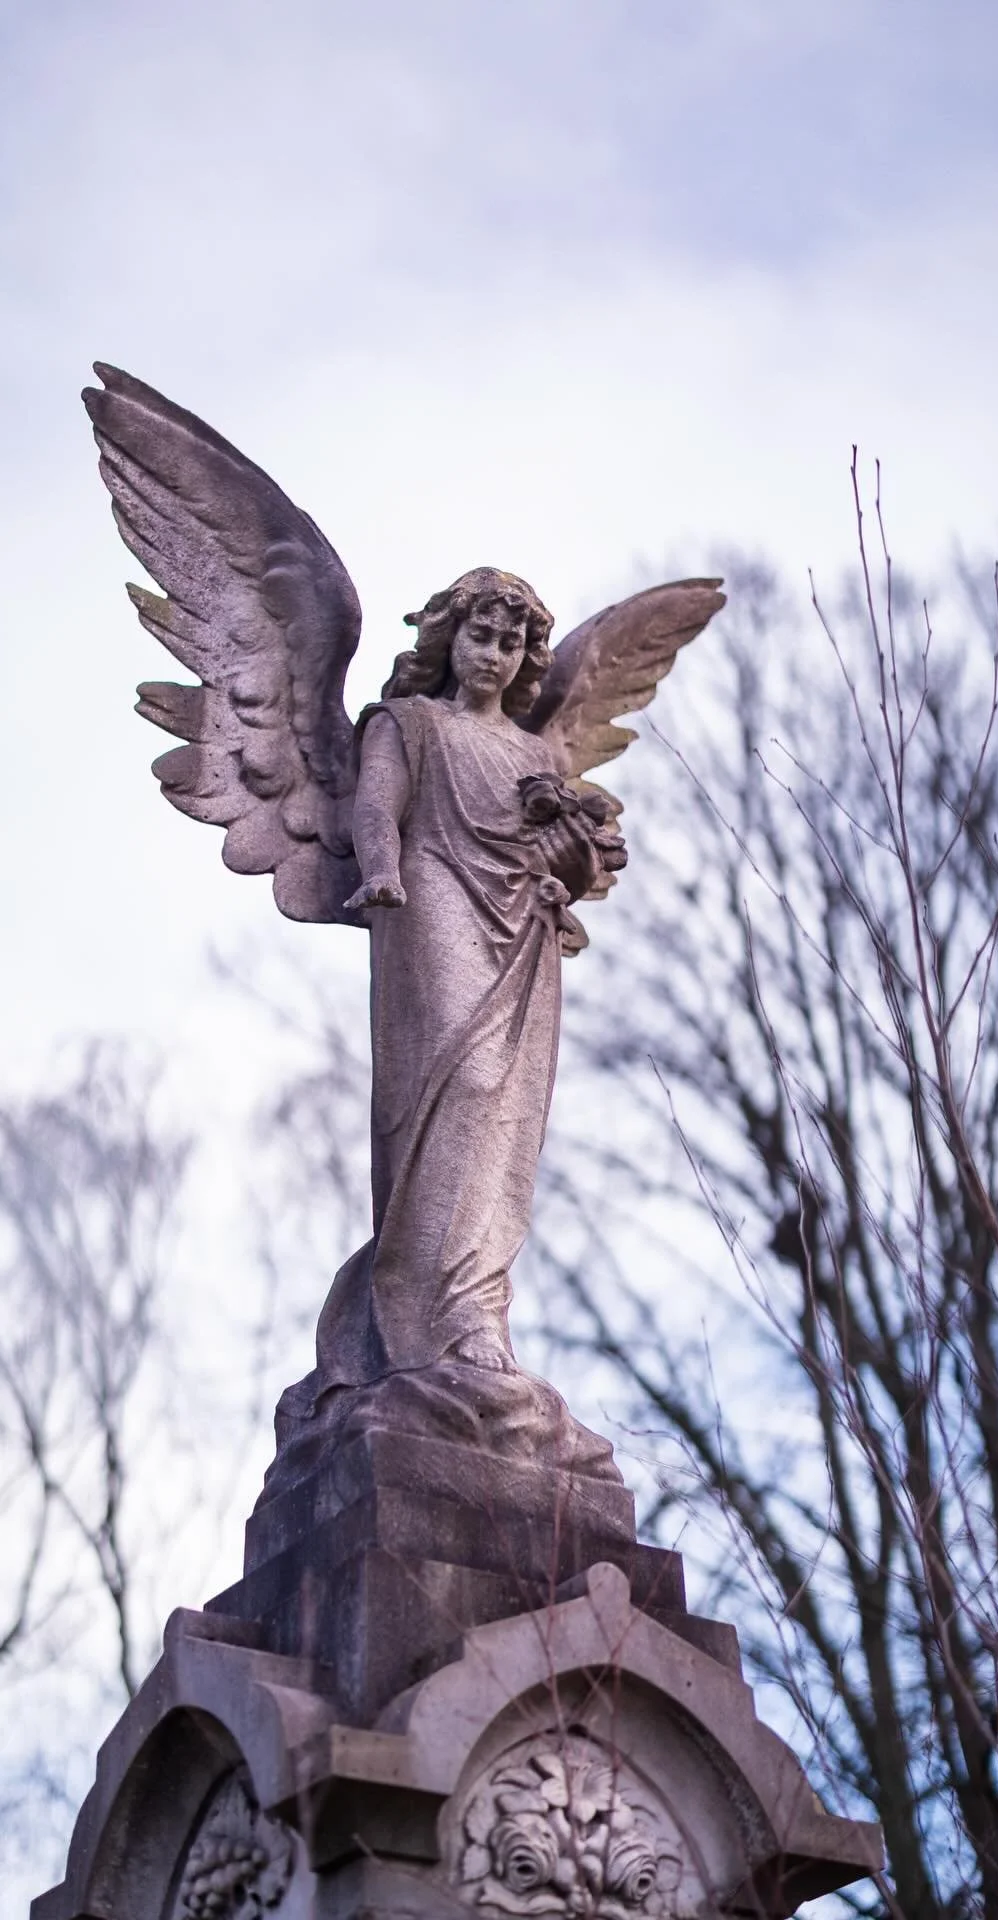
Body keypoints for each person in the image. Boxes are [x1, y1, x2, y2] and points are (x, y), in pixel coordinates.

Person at [265, 569, 623, 1492]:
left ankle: (474, 1326)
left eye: (511, 644)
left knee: (504, 1124)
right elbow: (374, 807)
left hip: (523, 937)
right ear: (448, 639)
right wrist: (379, 871)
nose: (494, 656)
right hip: (426, 907)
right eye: (480, 637)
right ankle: (426, 1326)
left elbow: (579, 853)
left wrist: (572, 863)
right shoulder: (407, 726)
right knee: (450, 1097)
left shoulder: (537, 755)